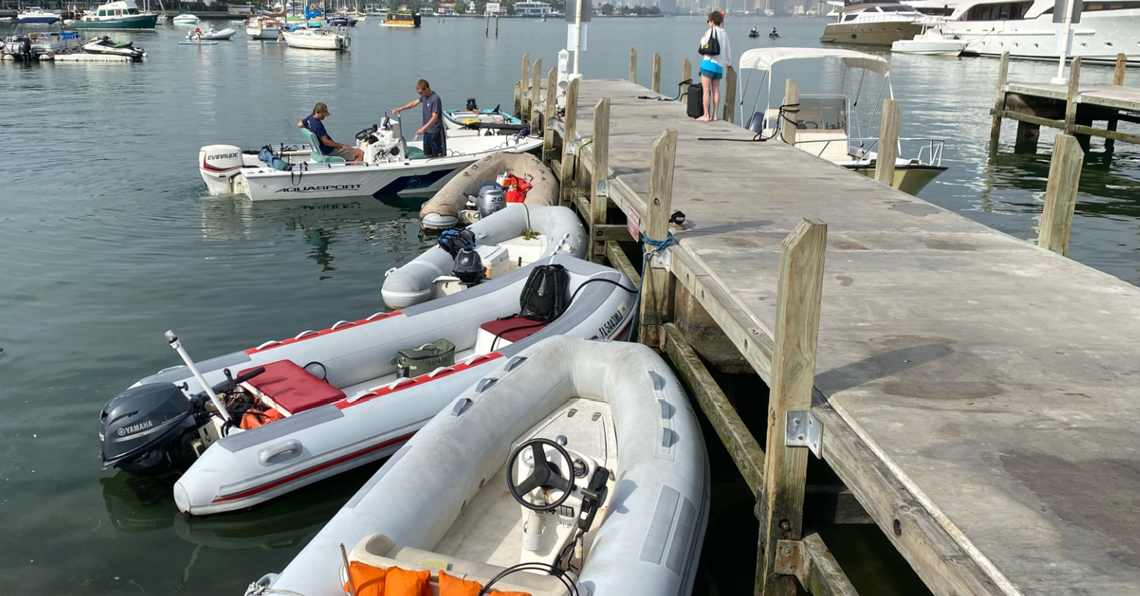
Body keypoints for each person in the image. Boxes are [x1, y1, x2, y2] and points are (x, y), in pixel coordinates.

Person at [393, 79, 446, 158]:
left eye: (420, 92)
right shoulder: (424, 97)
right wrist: (400, 109)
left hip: (436, 132)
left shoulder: (435, 99)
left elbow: (434, 117)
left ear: (427, 89)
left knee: (438, 156)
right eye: (418, 93)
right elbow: (414, 103)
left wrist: (423, 128)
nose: (420, 94)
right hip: (427, 133)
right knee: (427, 155)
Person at [297, 102, 364, 163]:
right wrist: (342, 145)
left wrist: (310, 129)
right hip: (329, 151)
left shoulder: (309, 118)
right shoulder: (317, 125)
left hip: (321, 149)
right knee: (360, 153)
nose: (324, 116)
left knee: (350, 151)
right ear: (316, 112)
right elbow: (326, 142)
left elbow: (299, 124)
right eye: (322, 114)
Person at [696, 11, 731, 122]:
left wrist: (704, 36)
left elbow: (703, 43)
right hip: (719, 66)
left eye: (708, 21)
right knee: (716, 90)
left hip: (708, 63)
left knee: (706, 90)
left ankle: (706, 115)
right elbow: (728, 49)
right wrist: (728, 63)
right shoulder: (724, 33)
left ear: (712, 21)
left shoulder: (710, 31)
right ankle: (715, 115)